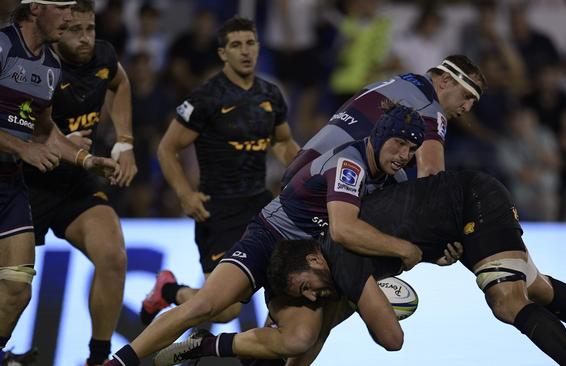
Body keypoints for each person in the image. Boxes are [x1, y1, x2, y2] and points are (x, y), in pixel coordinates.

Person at [106, 103, 461, 366]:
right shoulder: (350, 164)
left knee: (302, 339)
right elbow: (345, 228)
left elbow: (391, 240)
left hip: (311, 259)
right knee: (209, 306)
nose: (405, 155)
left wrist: (434, 252)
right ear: (381, 134)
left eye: (413, 150)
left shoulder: (394, 180)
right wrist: (407, 248)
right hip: (271, 238)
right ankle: (118, 361)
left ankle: (204, 345)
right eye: (399, 144)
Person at [262, 170, 566, 366]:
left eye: (305, 286)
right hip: (459, 216)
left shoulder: (341, 258)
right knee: (535, 288)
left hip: (473, 201)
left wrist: (370, 300)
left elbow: (393, 339)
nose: (311, 296)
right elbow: (322, 330)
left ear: (313, 260)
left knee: (506, 299)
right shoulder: (331, 261)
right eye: (304, 296)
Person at [140, 16, 300, 326]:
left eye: (250, 43)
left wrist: (309, 171)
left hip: (261, 206)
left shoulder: (270, 94)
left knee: (287, 284)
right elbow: (167, 148)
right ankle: (169, 290)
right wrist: (185, 194)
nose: (245, 51)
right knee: (226, 311)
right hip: (219, 212)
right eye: (236, 45)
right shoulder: (205, 99)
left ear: (258, 47)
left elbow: (282, 143)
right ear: (222, 53)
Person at [0, 0, 119, 364]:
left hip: (9, 185)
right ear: (35, 8)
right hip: (15, 169)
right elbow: (30, 144)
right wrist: (23, 149)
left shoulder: (50, 65)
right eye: (64, 8)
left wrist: (86, 159)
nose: (70, 16)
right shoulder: (3, 47)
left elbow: (45, 132)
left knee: (18, 290)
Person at [281, 54, 486, 185]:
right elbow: (432, 175)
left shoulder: (402, 81)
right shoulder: (429, 108)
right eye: (466, 96)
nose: (467, 107)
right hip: (329, 186)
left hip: (298, 173)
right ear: (446, 80)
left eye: (473, 102)